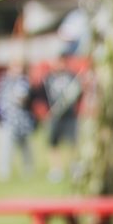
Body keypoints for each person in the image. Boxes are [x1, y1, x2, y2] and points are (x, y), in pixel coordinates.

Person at [40, 54, 82, 183]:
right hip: (55, 115)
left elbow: (79, 93)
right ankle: (56, 169)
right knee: (54, 143)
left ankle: (74, 167)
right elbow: (42, 95)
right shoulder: (48, 78)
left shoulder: (71, 76)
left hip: (70, 116)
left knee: (72, 142)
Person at [0, 59, 36, 182]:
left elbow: (23, 98)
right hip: (5, 120)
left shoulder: (23, 82)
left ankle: (28, 171)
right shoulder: (2, 82)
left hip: (21, 122)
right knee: (4, 147)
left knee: (25, 148)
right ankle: (3, 173)